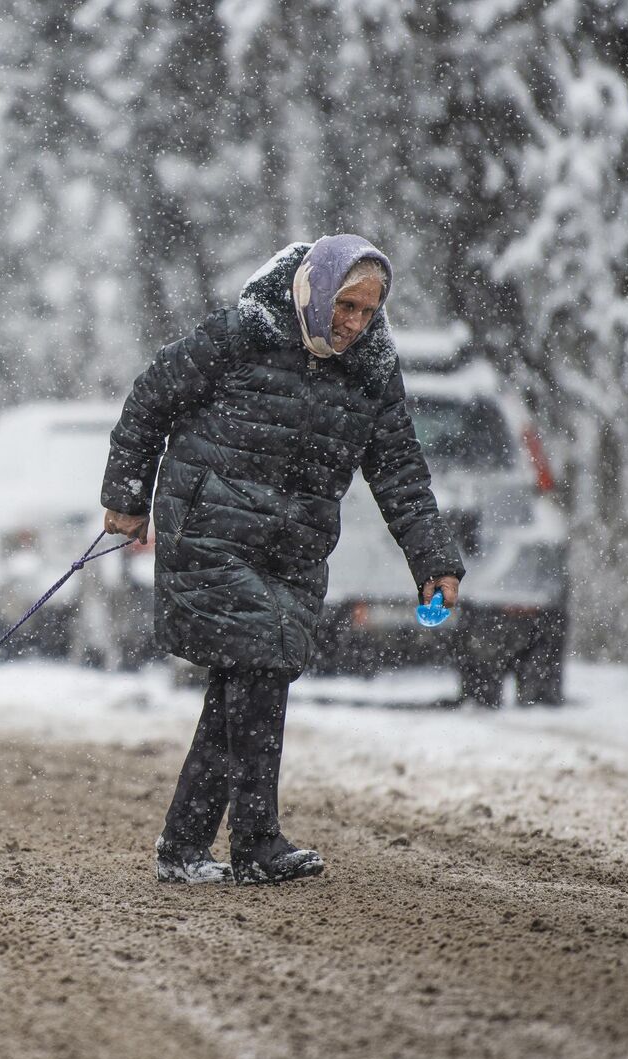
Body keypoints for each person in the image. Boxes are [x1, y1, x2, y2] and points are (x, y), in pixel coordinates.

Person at [100, 234, 464, 885]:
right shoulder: (244, 334)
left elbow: (399, 467)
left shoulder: (372, 370)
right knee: (260, 661)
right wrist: (127, 498)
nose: (354, 323)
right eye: (345, 305)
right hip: (208, 527)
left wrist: (431, 557)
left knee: (249, 676)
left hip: (291, 546)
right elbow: (150, 398)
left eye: (368, 310)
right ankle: (256, 840)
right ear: (313, 290)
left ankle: (183, 845)